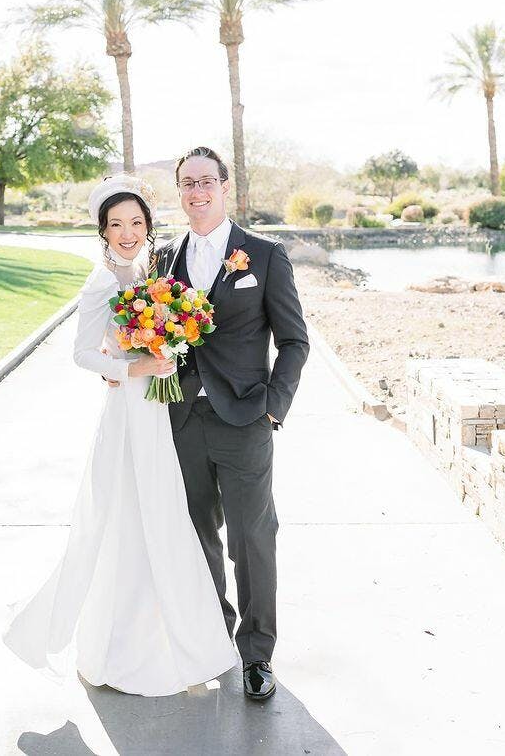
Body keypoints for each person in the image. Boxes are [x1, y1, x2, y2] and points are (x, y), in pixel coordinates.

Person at [2, 174, 238, 696]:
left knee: (165, 517)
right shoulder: (101, 282)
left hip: (161, 410)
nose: (127, 233)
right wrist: (133, 368)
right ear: (103, 231)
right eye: (116, 225)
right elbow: (83, 354)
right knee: (128, 518)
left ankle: (178, 639)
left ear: (148, 226)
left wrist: (168, 349)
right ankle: (124, 651)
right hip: (129, 414)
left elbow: (167, 338)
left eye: (135, 222)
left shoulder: (153, 272)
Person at [156, 146, 309, 701]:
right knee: (196, 533)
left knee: (252, 537)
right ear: (180, 192)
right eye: (187, 183)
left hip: (245, 417)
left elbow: (294, 341)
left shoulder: (264, 256)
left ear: (225, 187)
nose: (196, 192)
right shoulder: (164, 259)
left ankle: (257, 652)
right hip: (181, 418)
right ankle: (213, 635)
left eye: (206, 182)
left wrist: (273, 405)